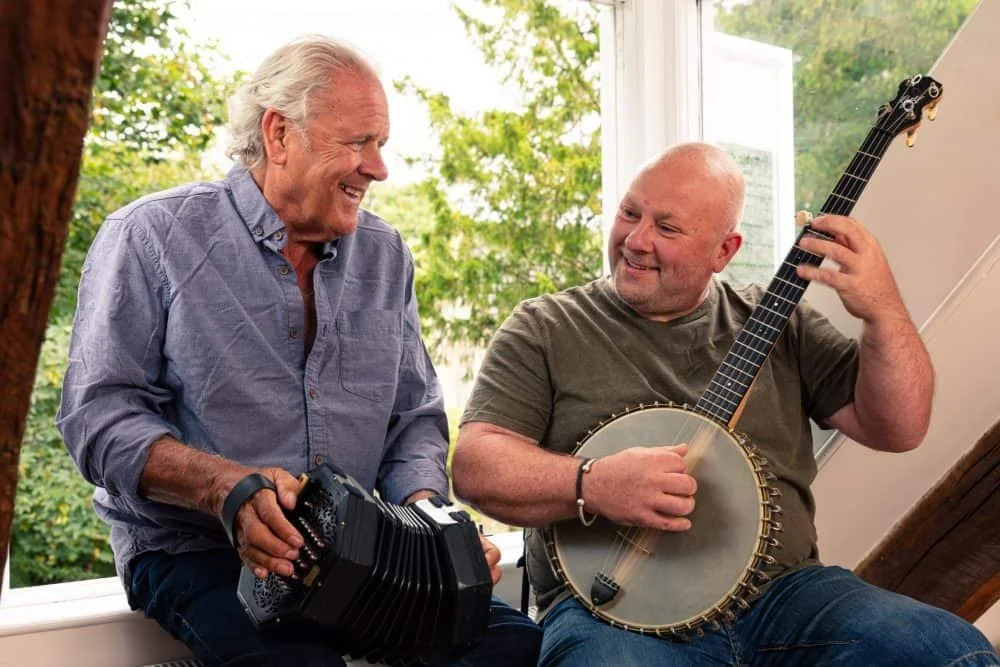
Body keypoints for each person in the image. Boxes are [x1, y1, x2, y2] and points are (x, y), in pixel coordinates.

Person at [57, 35, 541, 667]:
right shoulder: (150, 236)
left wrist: (427, 526)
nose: (378, 168)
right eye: (359, 142)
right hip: (201, 553)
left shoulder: (387, 255)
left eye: (382, 145)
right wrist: (226, 489)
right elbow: (97, 418)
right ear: (280, 134)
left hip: (369, 555)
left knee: (524, 653)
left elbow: (413, 421)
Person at [451, 143, 999, 666]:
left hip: (788, 598)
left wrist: (881, 309)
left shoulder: (778, 322)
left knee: (948, 650)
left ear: (724, 251)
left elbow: (899, 427)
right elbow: (477, 465)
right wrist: (591, 482)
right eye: (629, 213)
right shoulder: (545, 328)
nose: (637, 240)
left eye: (666, 227)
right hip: (611, 611)